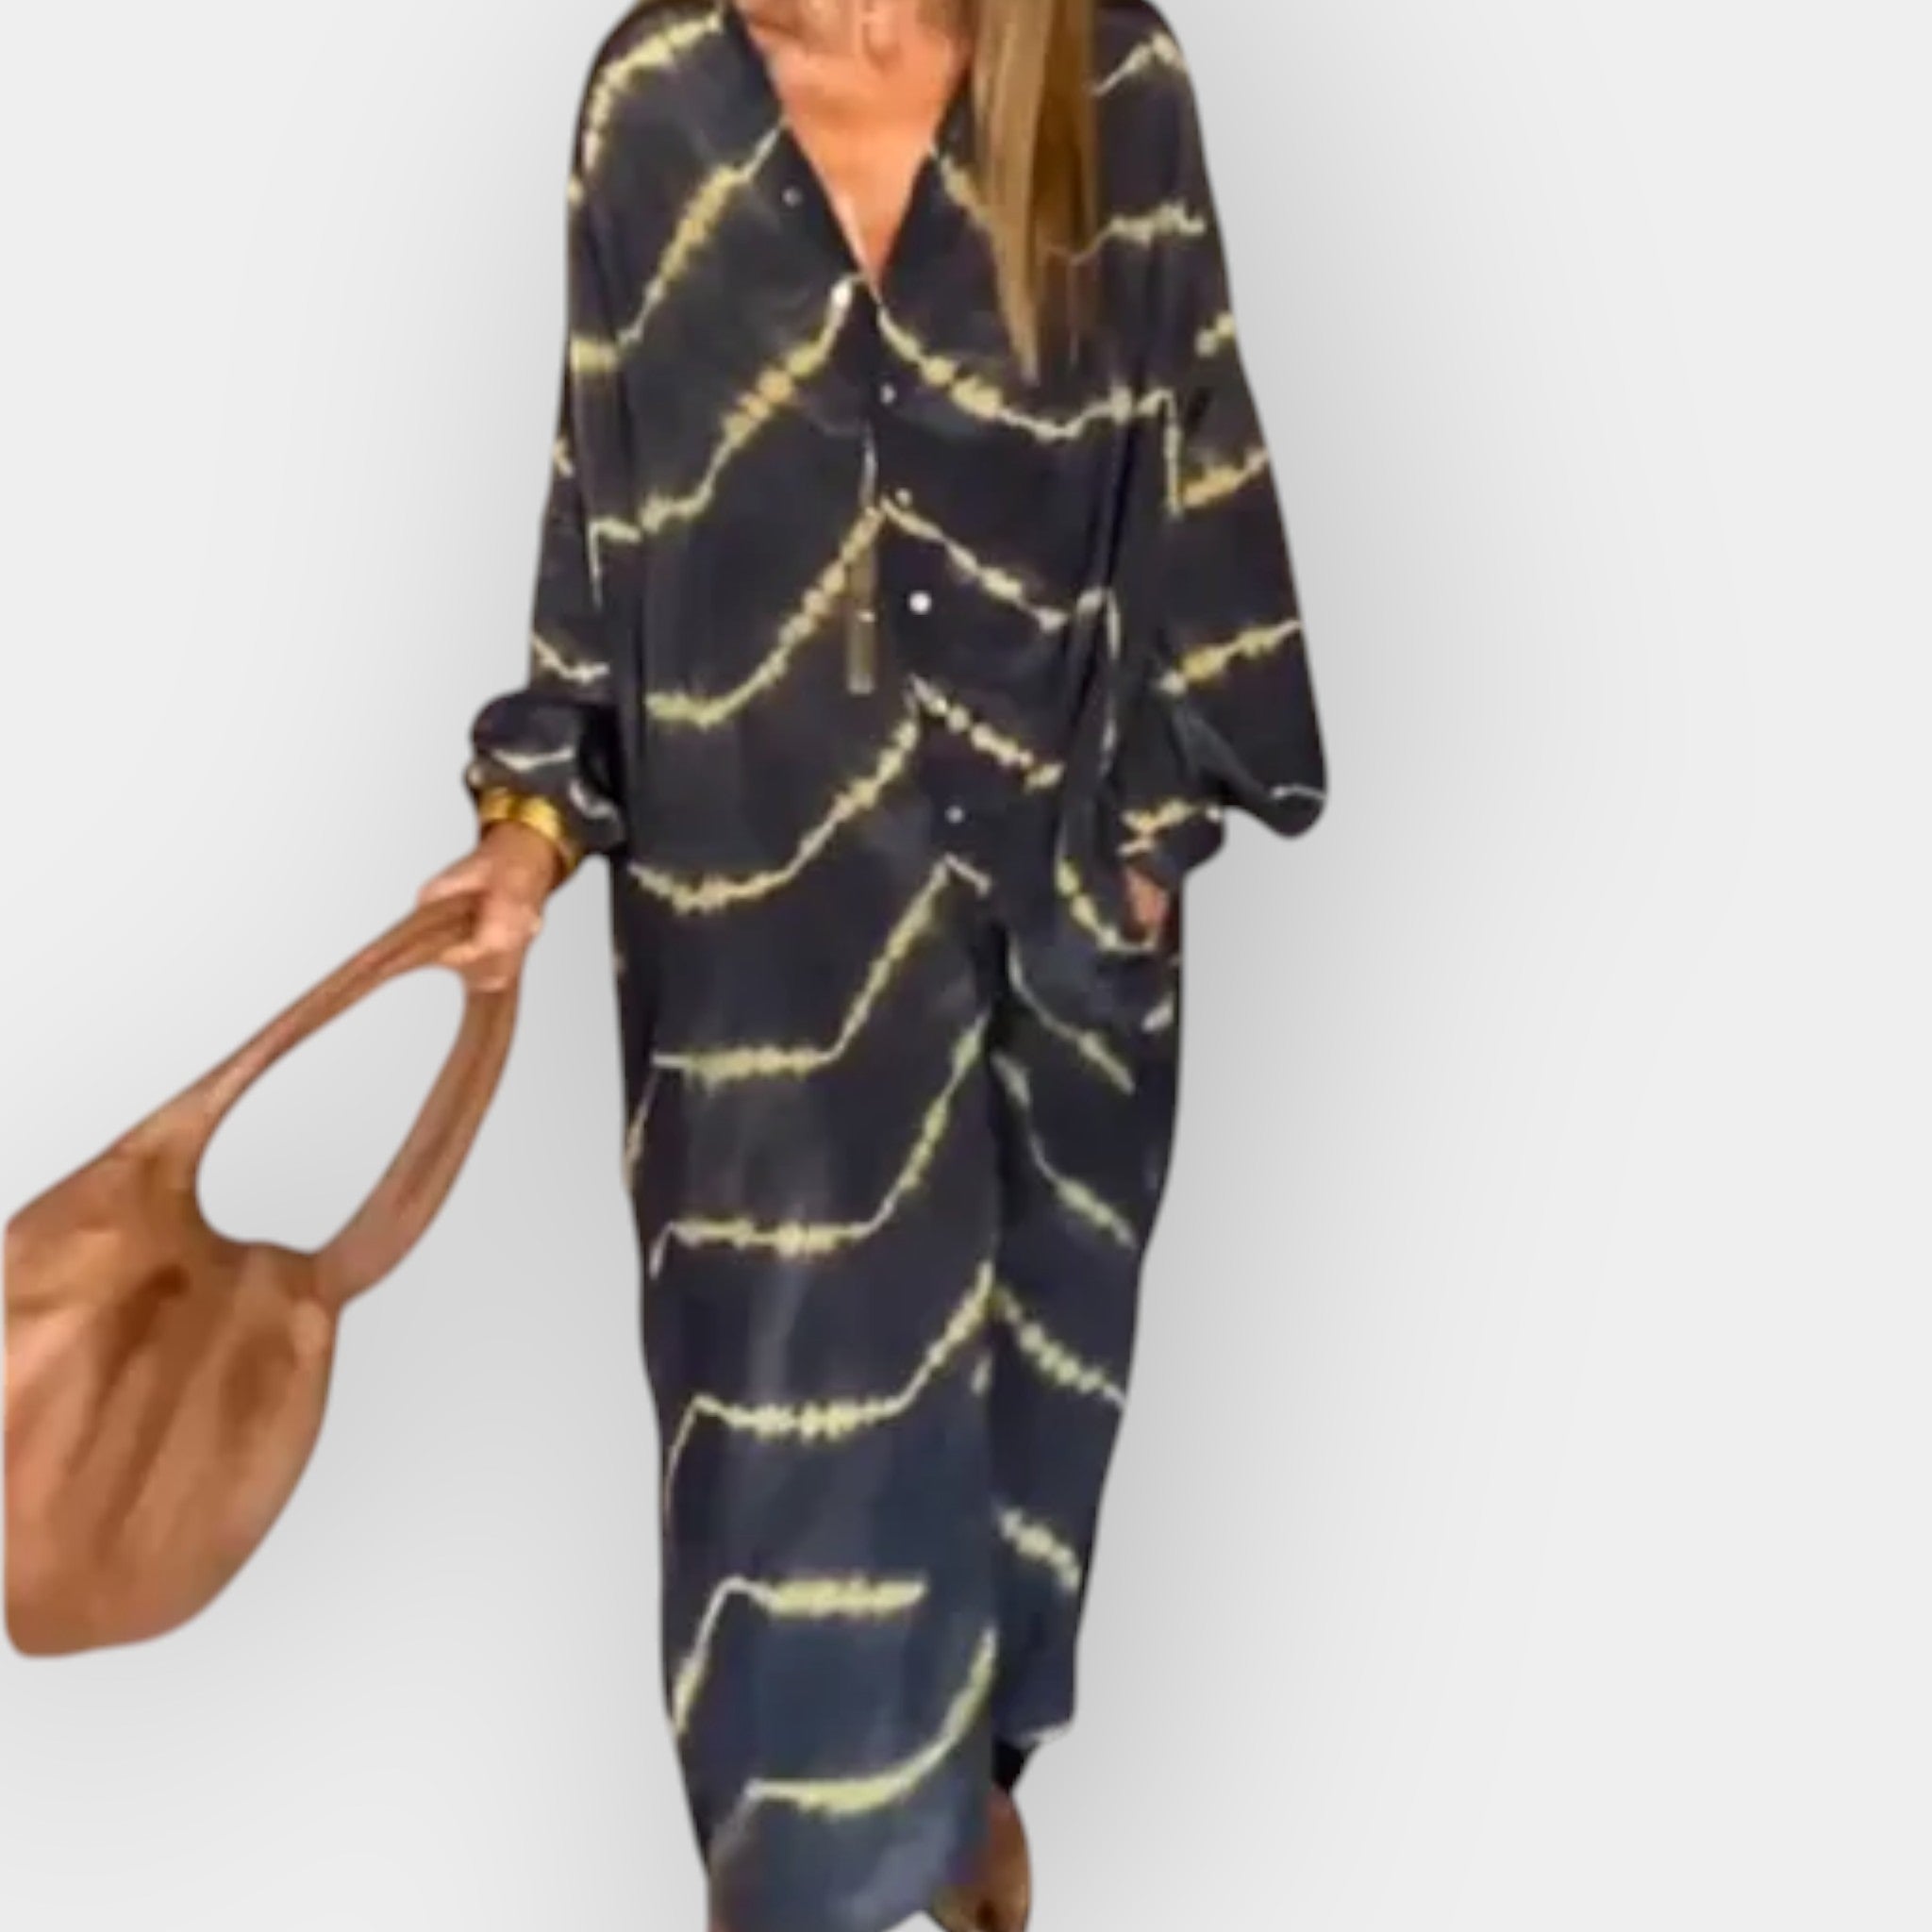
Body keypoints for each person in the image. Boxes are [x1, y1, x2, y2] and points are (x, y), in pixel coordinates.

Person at [419, 0, 1326, 1927]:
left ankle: (966, 1801)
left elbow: (1198, 437)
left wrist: (1156, 828)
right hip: (757, 935)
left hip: (1054, 930)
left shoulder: (1108, 79)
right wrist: (530, 824)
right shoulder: (656, 99)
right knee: (779, 1464)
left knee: (1012, 1442)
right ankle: (817, 1876)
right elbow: (604, 493)